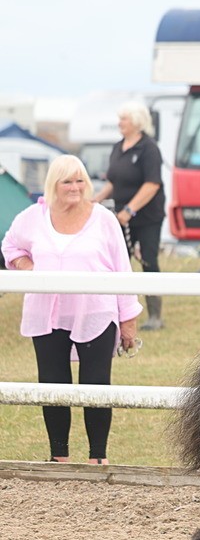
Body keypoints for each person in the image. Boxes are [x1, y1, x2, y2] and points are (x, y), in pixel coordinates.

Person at [2, 155, 142, 464]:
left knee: (96, 384)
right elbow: (10, 246)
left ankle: (98, 458)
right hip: (47, 314)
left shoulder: (103, 219)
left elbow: (123, 268)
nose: (75, 187)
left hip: (95, 313)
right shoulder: (32, 217)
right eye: (67, 181)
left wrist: (128, 320)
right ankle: (59, 456)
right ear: (54, 184)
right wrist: (29, 267)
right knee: (52, 384)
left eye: (80, 180)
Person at [93, 101, 166, 330]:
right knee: (118, 263)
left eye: (123, 119)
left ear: (136, 122)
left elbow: (152, 184)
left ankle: (155, 315)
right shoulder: (118, 147)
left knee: (148, 262)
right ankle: (118, 312)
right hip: (120, 217)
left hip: (146, 217)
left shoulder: (149, 148)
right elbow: (114, 182)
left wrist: (129, 211)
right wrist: (94, 201)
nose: (119, 123)